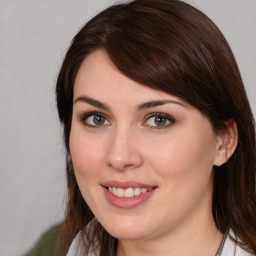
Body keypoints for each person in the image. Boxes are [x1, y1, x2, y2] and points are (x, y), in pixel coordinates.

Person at [55, 0, 256, 255]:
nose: (119, 156)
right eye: (97, 118)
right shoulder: (59, 246)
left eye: (158, 120)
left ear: (224, 141)